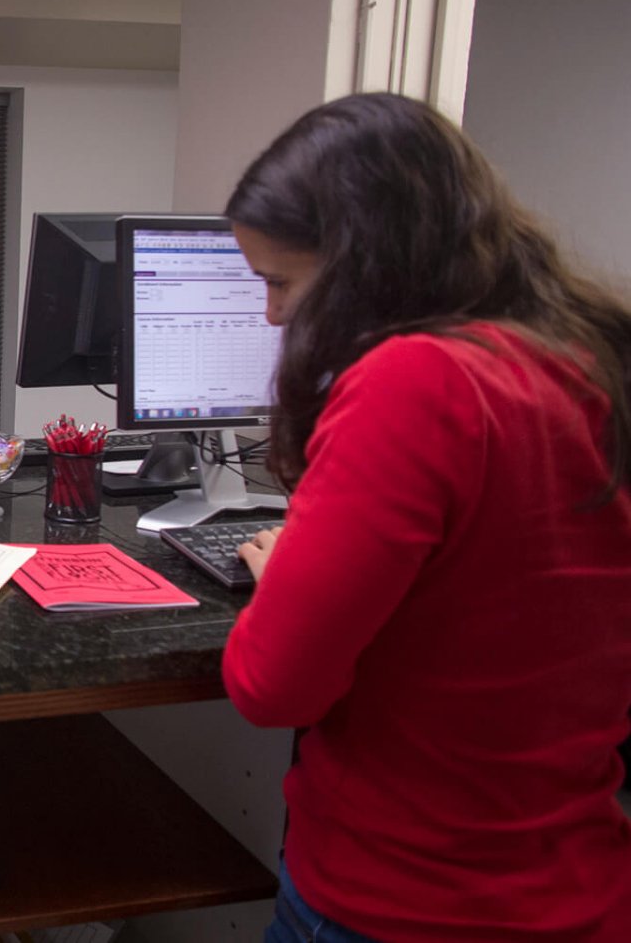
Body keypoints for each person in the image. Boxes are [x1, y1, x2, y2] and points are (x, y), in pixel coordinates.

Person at [218, 93, 631, 942]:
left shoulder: (417, 382)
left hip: (403, 895)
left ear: (363, 262)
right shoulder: (593, 360)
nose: (274, 315)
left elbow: (271, 685)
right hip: (576, 883)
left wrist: (285, 570)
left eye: (282, 281)